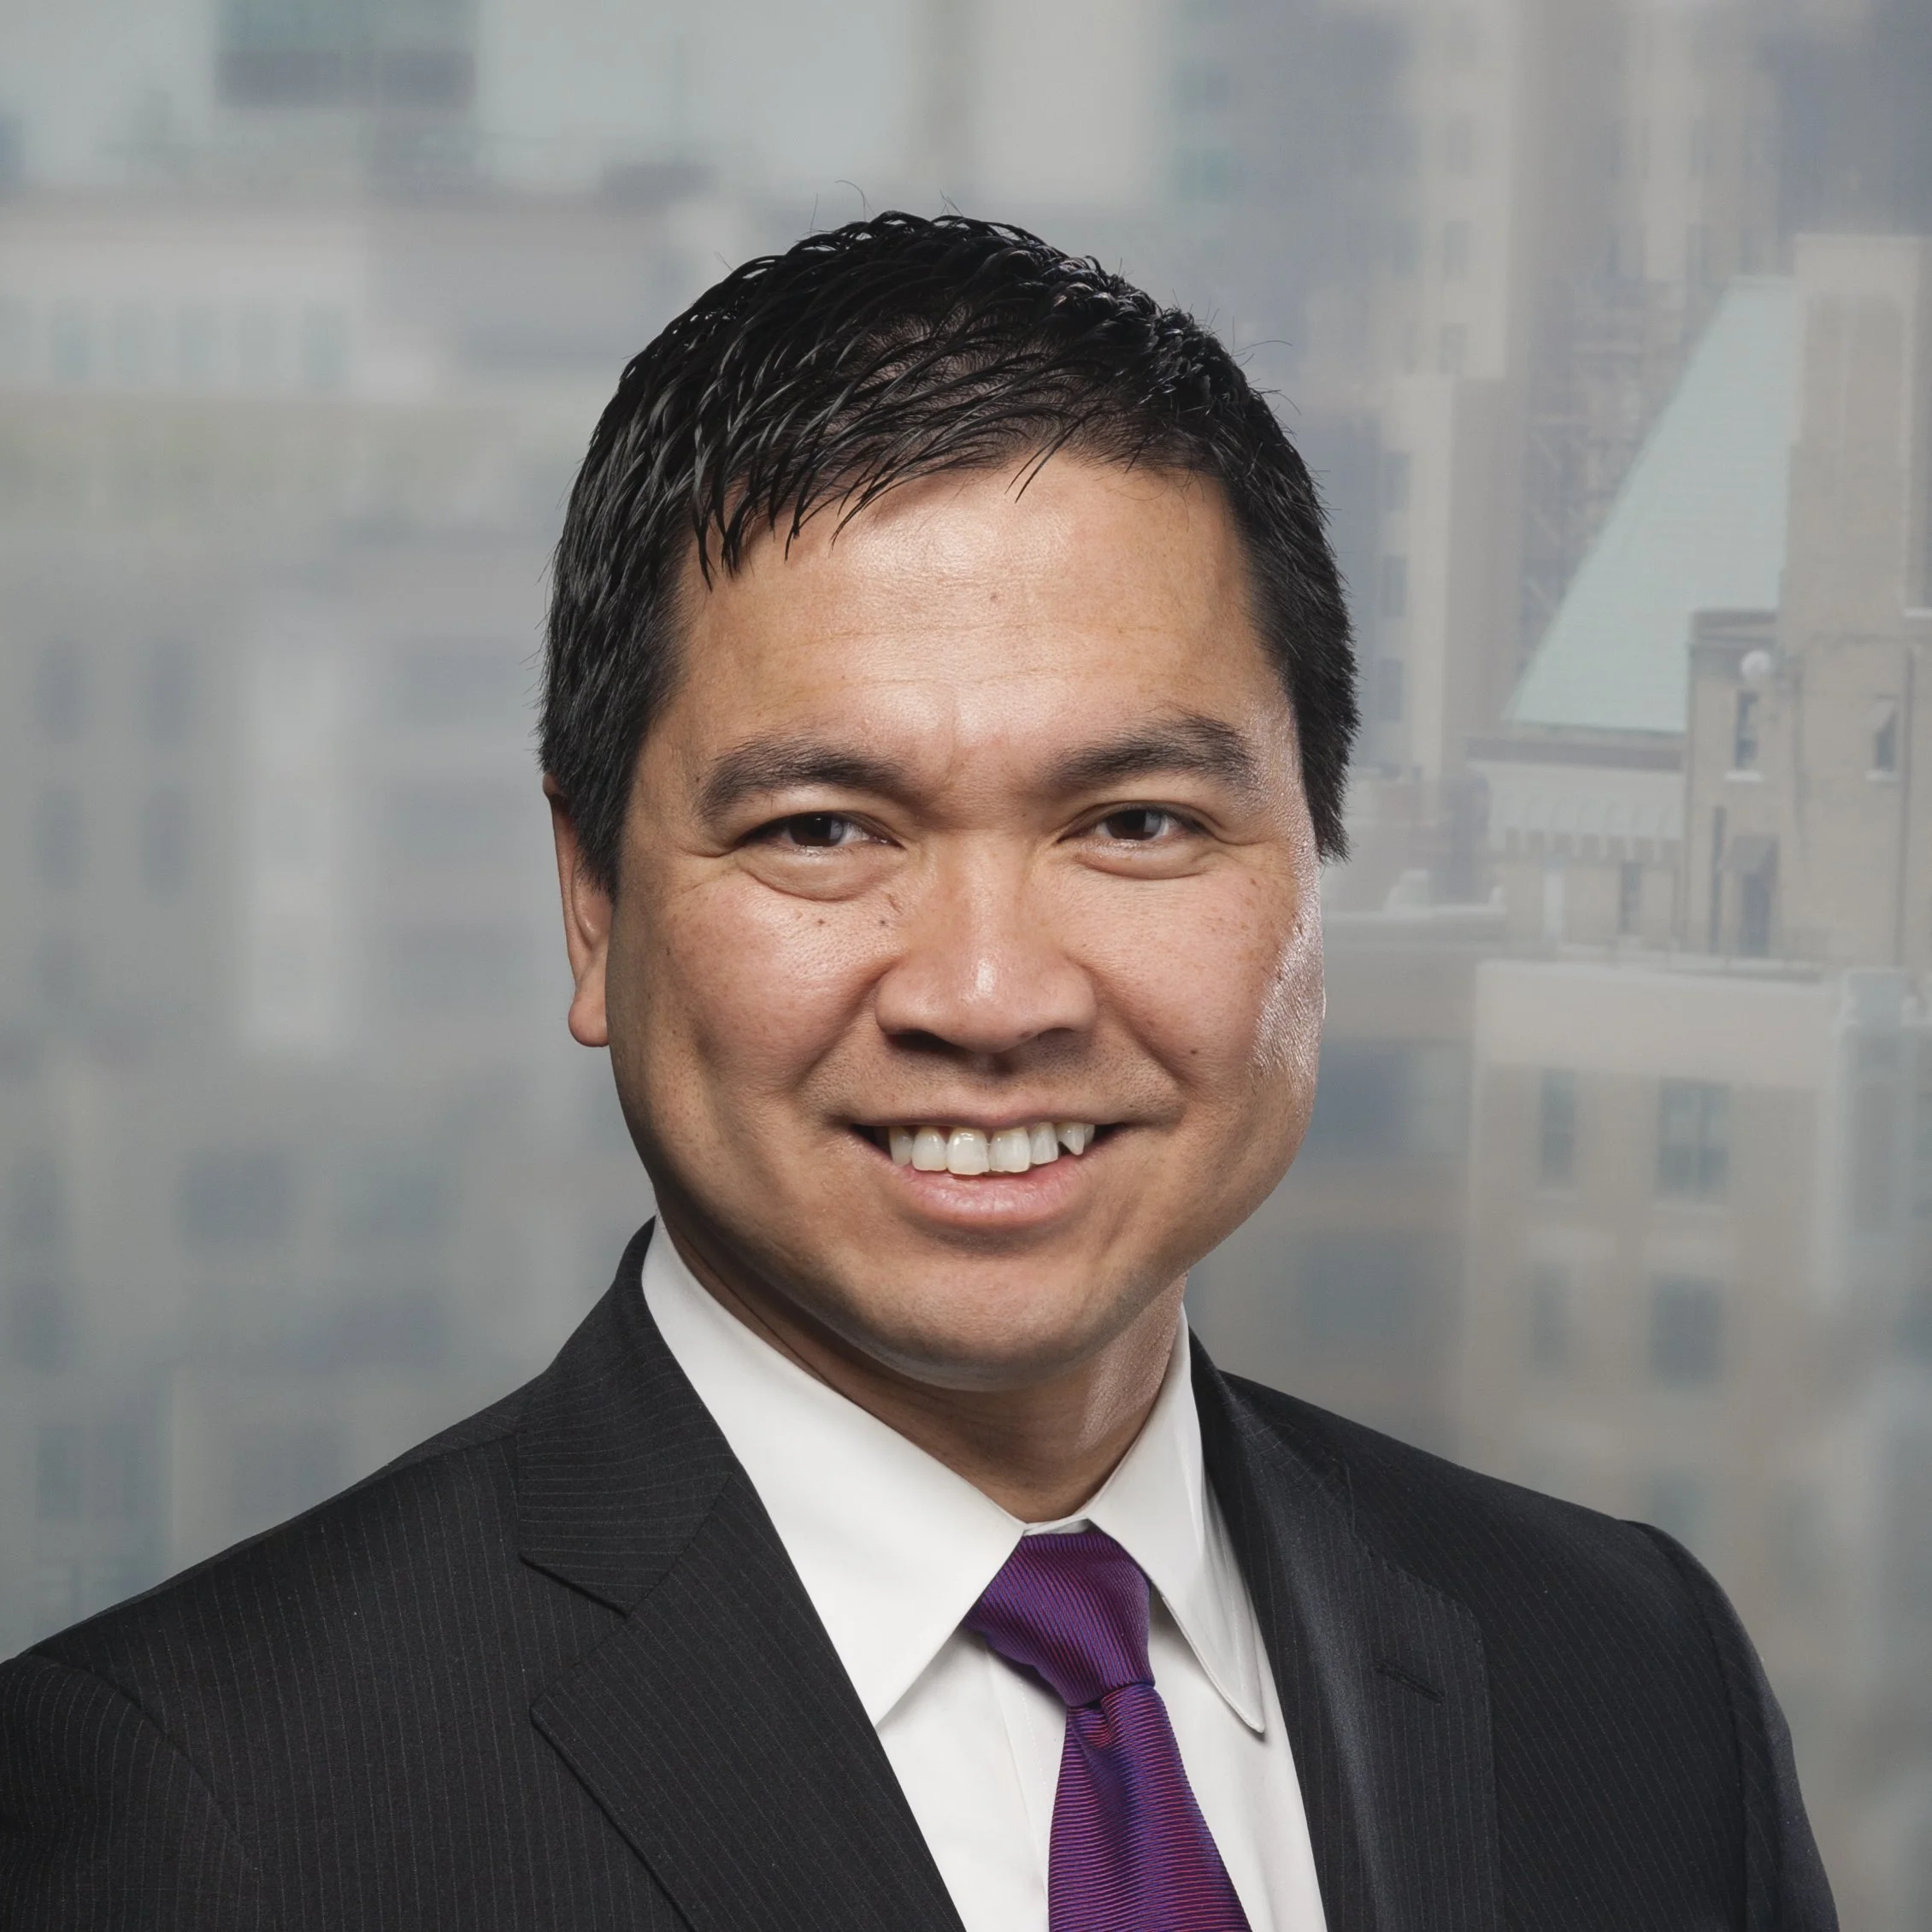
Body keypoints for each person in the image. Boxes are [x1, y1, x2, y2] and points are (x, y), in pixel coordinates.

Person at [0, 213, 1833, 1932]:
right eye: (820, 829)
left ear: (1319, 859)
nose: (986, 992)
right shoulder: (201, 1805)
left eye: (1132, 818)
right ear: (588, 902)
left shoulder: (1628, 1678)